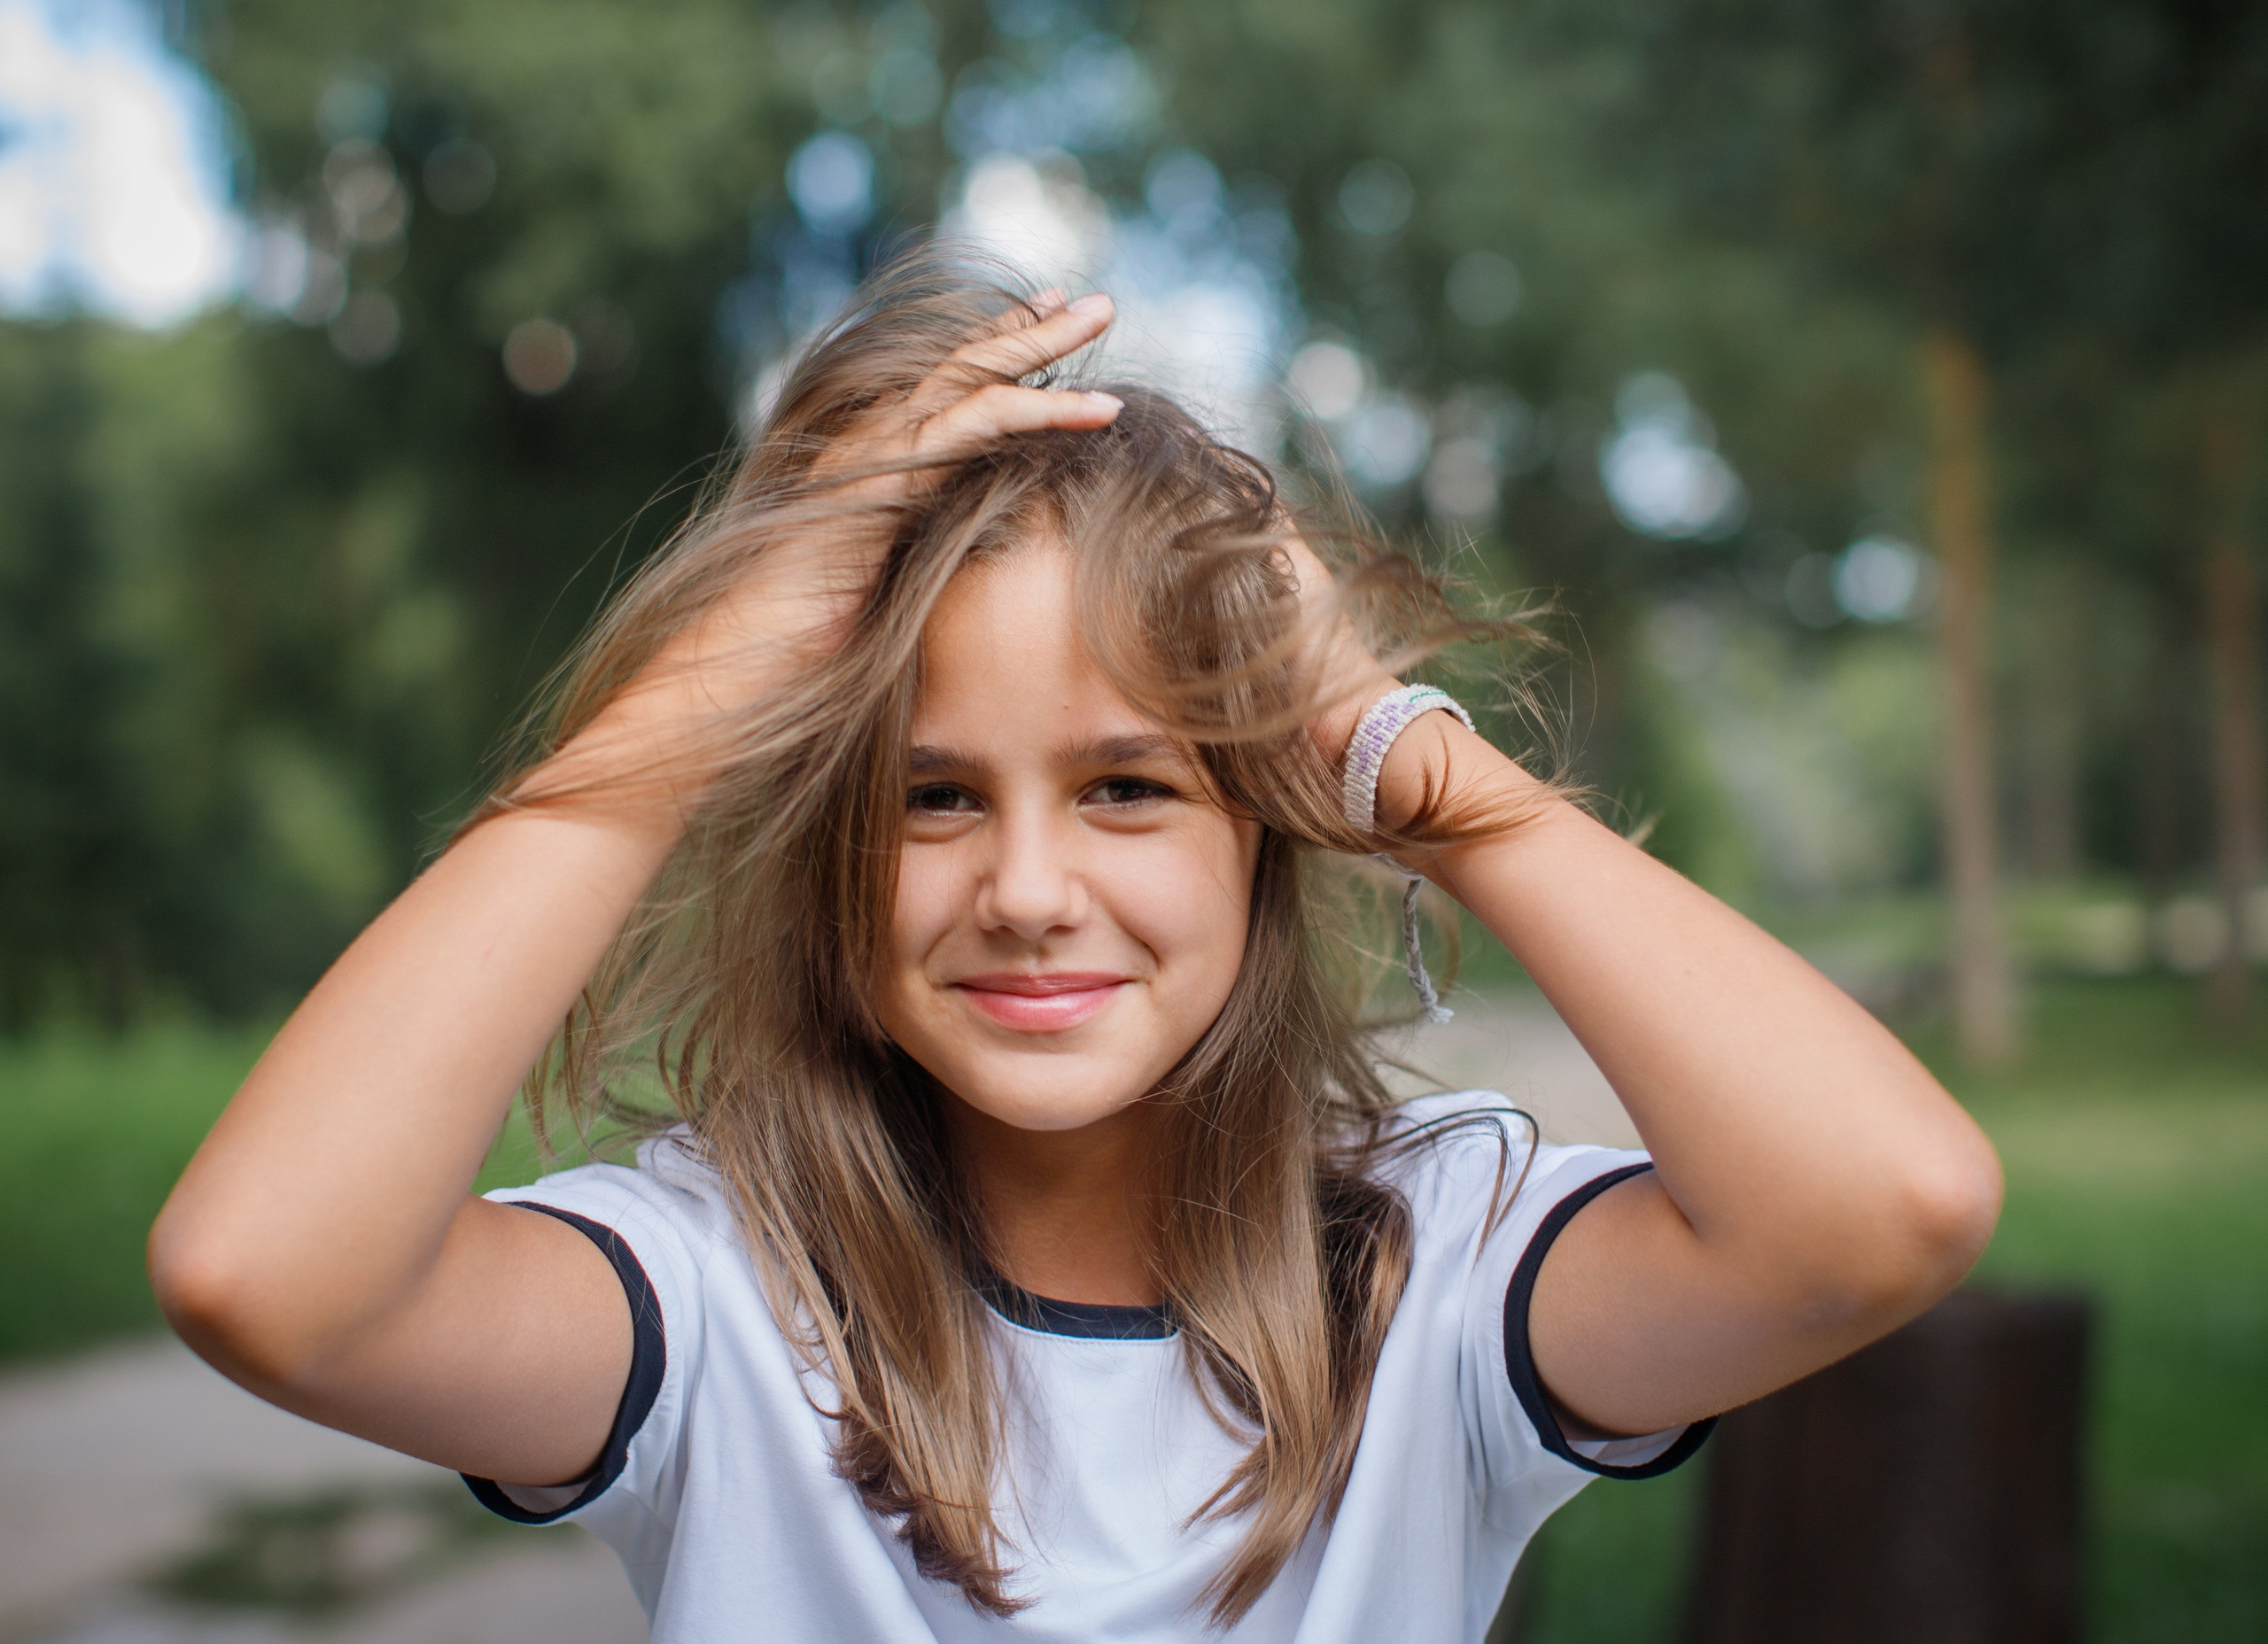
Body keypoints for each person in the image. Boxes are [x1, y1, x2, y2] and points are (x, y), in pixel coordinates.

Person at [149, 258, 2002, 1642]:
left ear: (1265, 827)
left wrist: (1414, 764)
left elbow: (1886, 1203)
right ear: (819, 847)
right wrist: (699, 703)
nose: (1027, 887)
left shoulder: (1438, 1281)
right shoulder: (714, 1302)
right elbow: (265, 1276)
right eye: (931, 797)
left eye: (1126, 786)